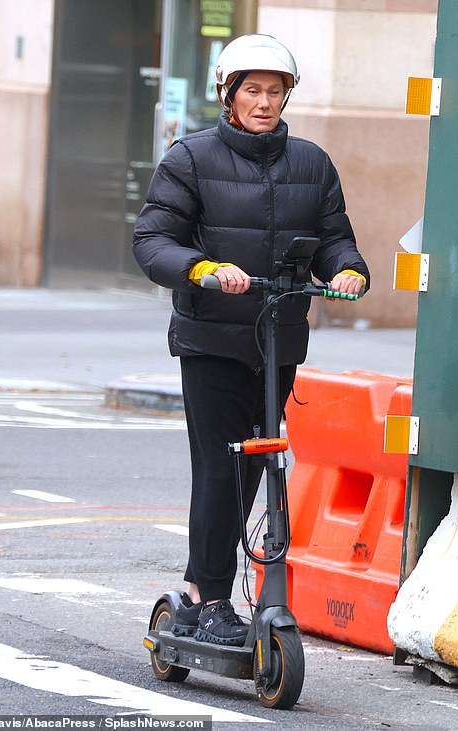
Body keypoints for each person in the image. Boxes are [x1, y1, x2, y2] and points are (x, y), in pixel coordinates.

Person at [133, 34, 370, 647]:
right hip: (211, 339)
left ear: (287, 96)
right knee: (218, 466)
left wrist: (347, 268)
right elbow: (153, 240)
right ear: (228, 94)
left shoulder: (312, 165)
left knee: (257, 468)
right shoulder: (190, 159)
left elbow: (333, 238)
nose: (264, 102)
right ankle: (208, 598)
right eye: (252, 91)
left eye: (275, 91)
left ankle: (202, 586)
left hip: (277, 344)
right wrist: (202, 269)